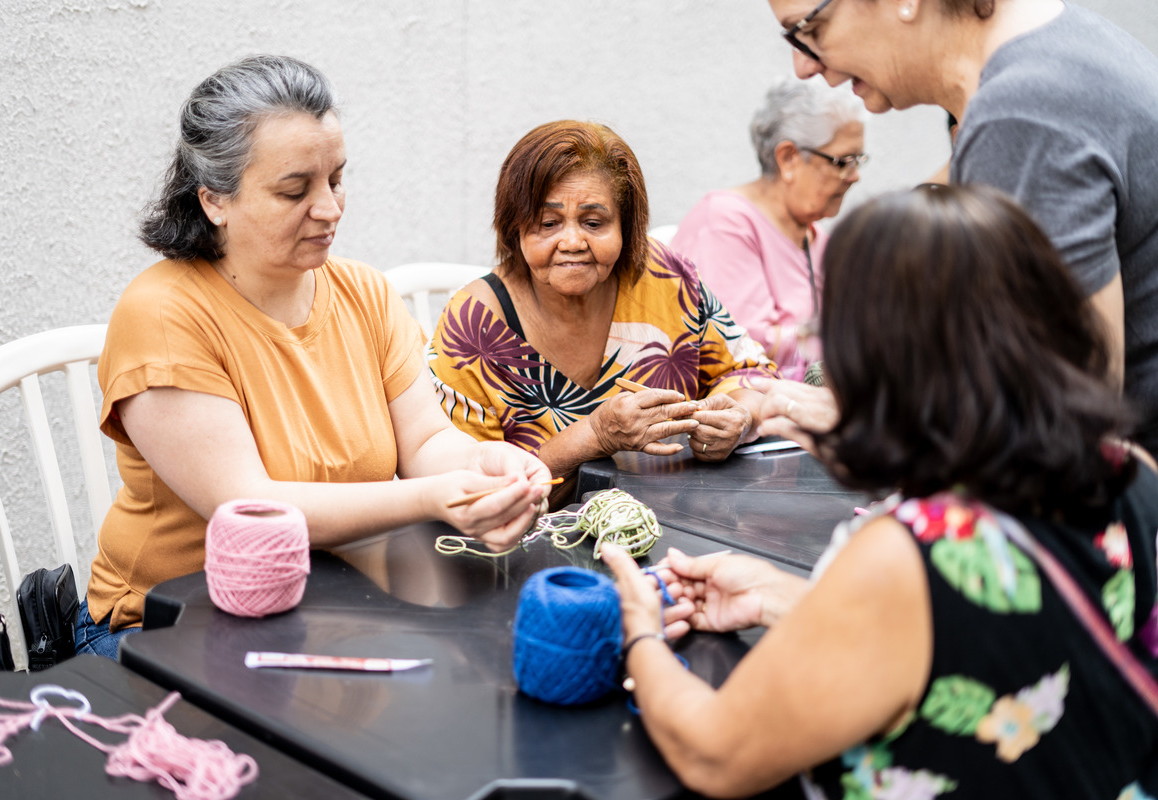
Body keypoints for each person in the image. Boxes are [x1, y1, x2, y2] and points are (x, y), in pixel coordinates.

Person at [603, 184, 1158, 799]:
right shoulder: (1125, 472)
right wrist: (778, 596)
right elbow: (994, 640)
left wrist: (641, 636)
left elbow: (714, 755)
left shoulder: (901, 553)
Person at [80, 55, 551, 658]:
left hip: (329, 603)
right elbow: (250, 508)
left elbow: (428, 443)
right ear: (214, 200)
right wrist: (436, 499)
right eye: (295, 189)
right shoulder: (164, 315)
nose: (329, 208)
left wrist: (490, 466)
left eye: (336, 179)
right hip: (166, 624)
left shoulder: (365, 293)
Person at [755, 0, 1158, 454]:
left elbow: (1069, 427)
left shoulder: (1022, 112)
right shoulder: (1053, 58)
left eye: (810, 29)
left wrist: (874, 424)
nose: (803, 65)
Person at [428, 120, 777, 489]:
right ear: (515, 226)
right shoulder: (473, 325)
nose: (573, 241)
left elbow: (752, 374)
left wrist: (739, 417)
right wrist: (593, 436)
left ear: (626, 227)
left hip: (681, 525)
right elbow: (466, 492)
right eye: (548, 223)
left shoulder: (662, 276)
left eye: (594, 222)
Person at [670, 77, 867, 381]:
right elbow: (736, 345)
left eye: (858, 161)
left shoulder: (819, 241)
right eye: (843, 161)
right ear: (788, 158)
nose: (854, 176)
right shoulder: (724, 223)